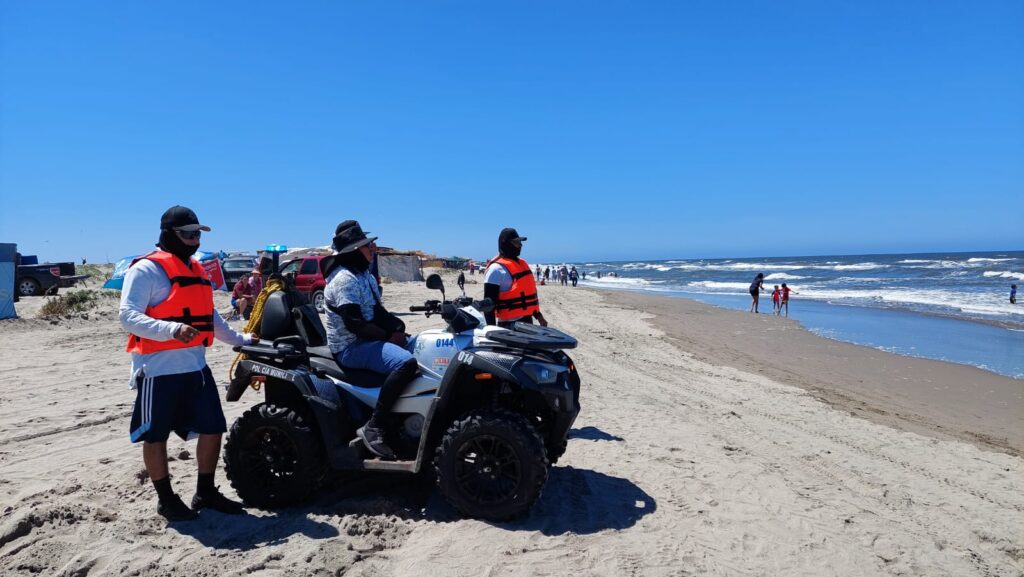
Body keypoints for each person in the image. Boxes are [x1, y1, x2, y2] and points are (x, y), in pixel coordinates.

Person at [120, 205, 257, 521]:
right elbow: (127, 316)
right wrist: (170, 329)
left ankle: (205, 492)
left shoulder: (198, 271)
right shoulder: (145, 270)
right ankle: (166, 499)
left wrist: (244, 340)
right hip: (157, 369)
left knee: (213, 429)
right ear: (169, 234)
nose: (194, 240)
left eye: (198, 234)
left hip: (195, 367)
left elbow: (211, 318)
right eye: (188, 234)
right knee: (155, 436)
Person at [323, 220, 415, 460]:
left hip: (366, 339)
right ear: (354, 251)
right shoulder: (344, 280)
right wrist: (388, 337)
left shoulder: (365, 276)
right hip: (350, 347)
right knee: (405, 363)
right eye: (367, 247)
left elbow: (377, 312)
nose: (373, 250)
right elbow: (355, 324)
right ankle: (375, 425)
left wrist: (398, 327)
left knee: (422, 346)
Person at [484, 228, 548, 328]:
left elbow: (529, 294)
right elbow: (488, 306)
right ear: (506, 244)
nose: (520, 245)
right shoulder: (495, 269)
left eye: (520, 242)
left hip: (528, 322)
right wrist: (492, 330)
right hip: (509, 325)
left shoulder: (523, 264)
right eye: (516, 242)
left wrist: (539, 316)